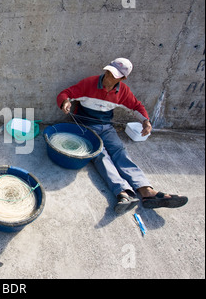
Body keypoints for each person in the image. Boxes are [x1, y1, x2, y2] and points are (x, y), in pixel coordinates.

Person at [57, 58, 188, 214]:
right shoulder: (89, 83)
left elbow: (136, 106)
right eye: (108, 72)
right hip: (86, 127)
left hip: (107, 128)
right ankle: (122, 192)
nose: (108, 77)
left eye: (114, 75)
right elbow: (67, 93)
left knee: (120, 152)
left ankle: (146, 191)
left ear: (122, 78)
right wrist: (65, 102)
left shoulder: (122, 92)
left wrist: (146, 121)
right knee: (101, 155)